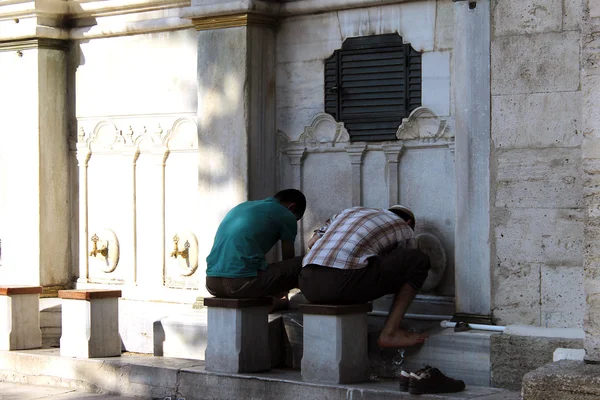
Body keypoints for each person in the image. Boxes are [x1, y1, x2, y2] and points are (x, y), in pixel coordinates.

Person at [299, 205, 431, 348]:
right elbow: (405, 269)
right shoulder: (403, 227)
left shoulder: (350, 211)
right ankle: (390, 332)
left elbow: (312, 243)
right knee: (419, 260)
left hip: (307, 284)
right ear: (409, 223)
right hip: (343, 285)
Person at [205, 189, 307, 305]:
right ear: (292, 208)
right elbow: (288, 258)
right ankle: (281, 303)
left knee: (263, 270)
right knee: (305, 262)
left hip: (212, 283)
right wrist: (284, 291)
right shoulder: (286, 214)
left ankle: (272, 301)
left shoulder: (242, 206)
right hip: (241, 283)